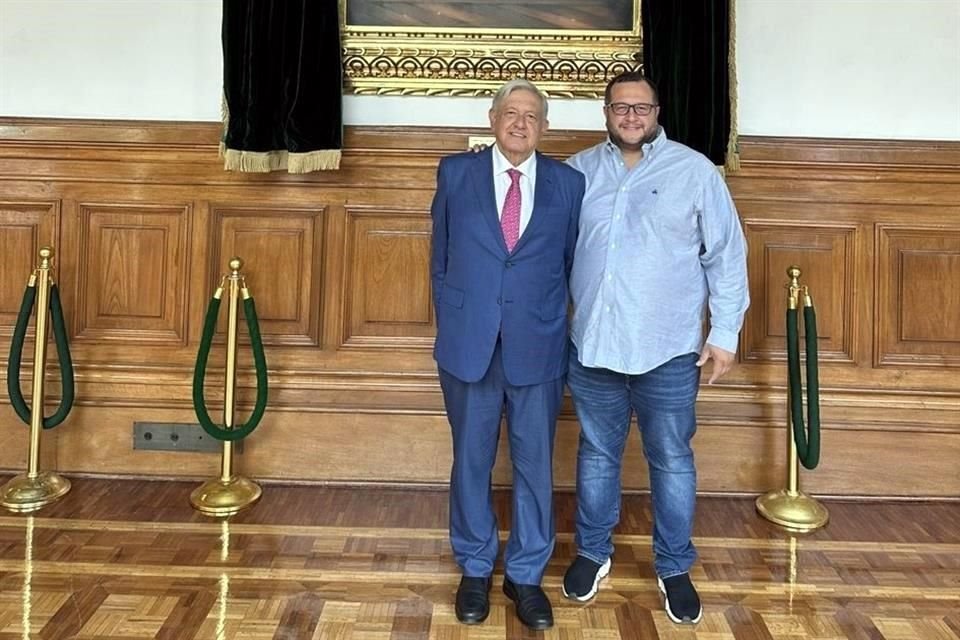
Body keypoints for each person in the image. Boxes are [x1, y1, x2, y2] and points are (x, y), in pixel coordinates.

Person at [560, 71, 749, 625]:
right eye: (621, 108)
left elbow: (726, 255)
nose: (632, 117)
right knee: (596, 454)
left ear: (657, 111)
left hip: (668, 349)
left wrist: (725, 334)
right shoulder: (576, 173)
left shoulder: (694, 172)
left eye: (641, 108)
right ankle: (593, 554)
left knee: (671, 459)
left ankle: (673, 566)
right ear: (606, 112)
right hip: (593, 343)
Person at [430, 78, 585, 630]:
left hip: (537, 345)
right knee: (470, 460)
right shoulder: (456, 173)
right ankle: (474, 567)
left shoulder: (569, 184)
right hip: (470, 345)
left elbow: (570, 265)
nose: (520, 124)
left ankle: (525, 574)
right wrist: (454, 323)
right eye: (511, 113)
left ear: (544, 128)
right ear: (493, 119)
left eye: (532, 116)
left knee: (535, 465)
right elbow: (440, 258)